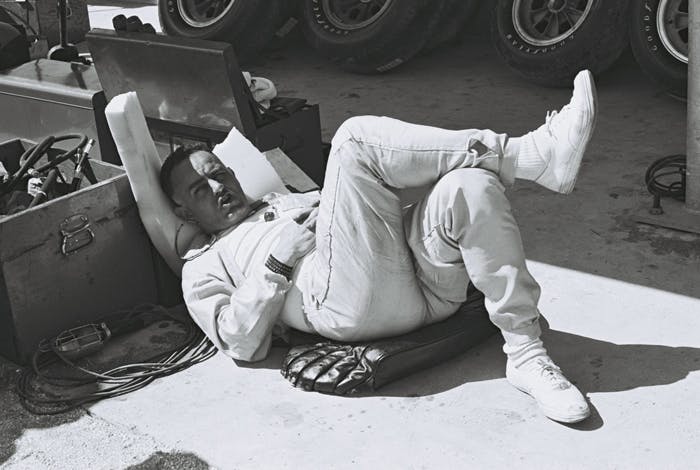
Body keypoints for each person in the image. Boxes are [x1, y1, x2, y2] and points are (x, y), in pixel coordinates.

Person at [160, 70, 597, 424]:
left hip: (422, 283)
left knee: (470, 185)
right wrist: (278, 260)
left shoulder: (282, 196)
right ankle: (525, 156)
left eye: (219, 173)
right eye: (200, 189)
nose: (218, 187)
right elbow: (238, 342)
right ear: (183, 212)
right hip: (346, 302)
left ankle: (526, 354)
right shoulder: (203, 263)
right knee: (351, 141)